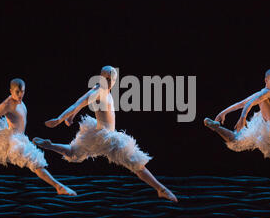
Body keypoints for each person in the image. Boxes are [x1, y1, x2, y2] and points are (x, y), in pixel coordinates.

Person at [33, 66, 178, 202]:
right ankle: (162, 189)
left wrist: (71, 116)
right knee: (136, 163)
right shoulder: (98, 91)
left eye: (110, 79)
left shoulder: (104, 91)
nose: (107, 82)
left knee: (73, 153)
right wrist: (60, 119)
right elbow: (78, 103)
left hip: (99, 135)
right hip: (108, 138)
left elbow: (80, 105)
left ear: (114, 81)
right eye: (105, 78)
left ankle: (50, 145)